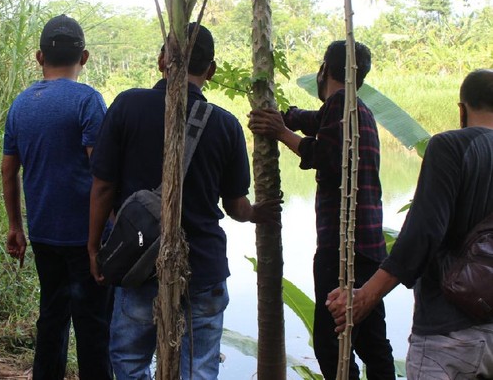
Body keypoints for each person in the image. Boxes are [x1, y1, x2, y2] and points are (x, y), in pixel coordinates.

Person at [88, 23, 281, 380]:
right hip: (204, 270)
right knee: (200, 371)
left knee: (129, 363)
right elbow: (237, 208)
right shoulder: (225, 125)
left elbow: (101, 187)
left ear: (163, 60)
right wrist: (258, 213)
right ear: (211, 70)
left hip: (140, 266)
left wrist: (93, 247)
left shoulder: (128, 105)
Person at [327, 69, 493, 378]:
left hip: (450, 337)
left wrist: (366, 296)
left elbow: (423, 233)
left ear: (461, 109)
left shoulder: (451, 146)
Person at [248, 40, 394, 379]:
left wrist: (282, 132)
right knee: (372, 341)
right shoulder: (356, 109)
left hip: (344, 249)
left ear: (325, 69)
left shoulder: (340, 106)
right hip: (369, 249)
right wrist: (291, 117)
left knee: (331, 344)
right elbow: (318, 122)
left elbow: (327, 158)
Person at [1, 15, 112, 380]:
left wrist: (16, 227)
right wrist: (98, 243)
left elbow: (8, 169)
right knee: (93, 326)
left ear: (39, 57)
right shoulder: (88, 101)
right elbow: (102, 177)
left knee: (51, 317)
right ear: (84, 57)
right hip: (86, 238)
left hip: (44, 234)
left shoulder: (21, 104)